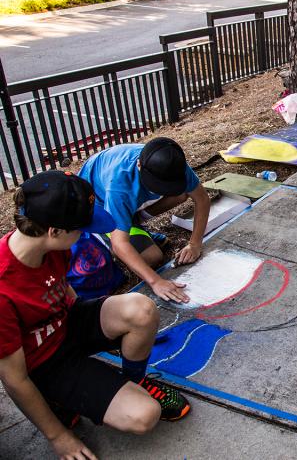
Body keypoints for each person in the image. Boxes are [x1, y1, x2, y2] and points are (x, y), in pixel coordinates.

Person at [0, 171, 190, 460]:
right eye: (82, 227)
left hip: (65, 324)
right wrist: (59, 437)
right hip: (45, 364)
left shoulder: (49, 245)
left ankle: (134, 380)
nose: (87, 233)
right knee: (143, 415)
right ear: (54, 231)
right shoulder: (3, 288)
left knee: (141, 309)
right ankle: (56, 402)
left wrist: (108, 331)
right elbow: (14, 380)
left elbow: (63, 290)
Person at [78, 137, 211, 304]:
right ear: (139, 166)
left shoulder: (173, 164)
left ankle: (130, 223)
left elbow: (202, 199)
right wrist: (156, 281)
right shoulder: (120, 184)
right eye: (157, 184)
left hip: (122, 200)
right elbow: (121, 244)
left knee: (181, 193)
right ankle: (106, 237)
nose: (162, 190)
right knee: (151, 257)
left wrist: (195, 244)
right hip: (98, 207)